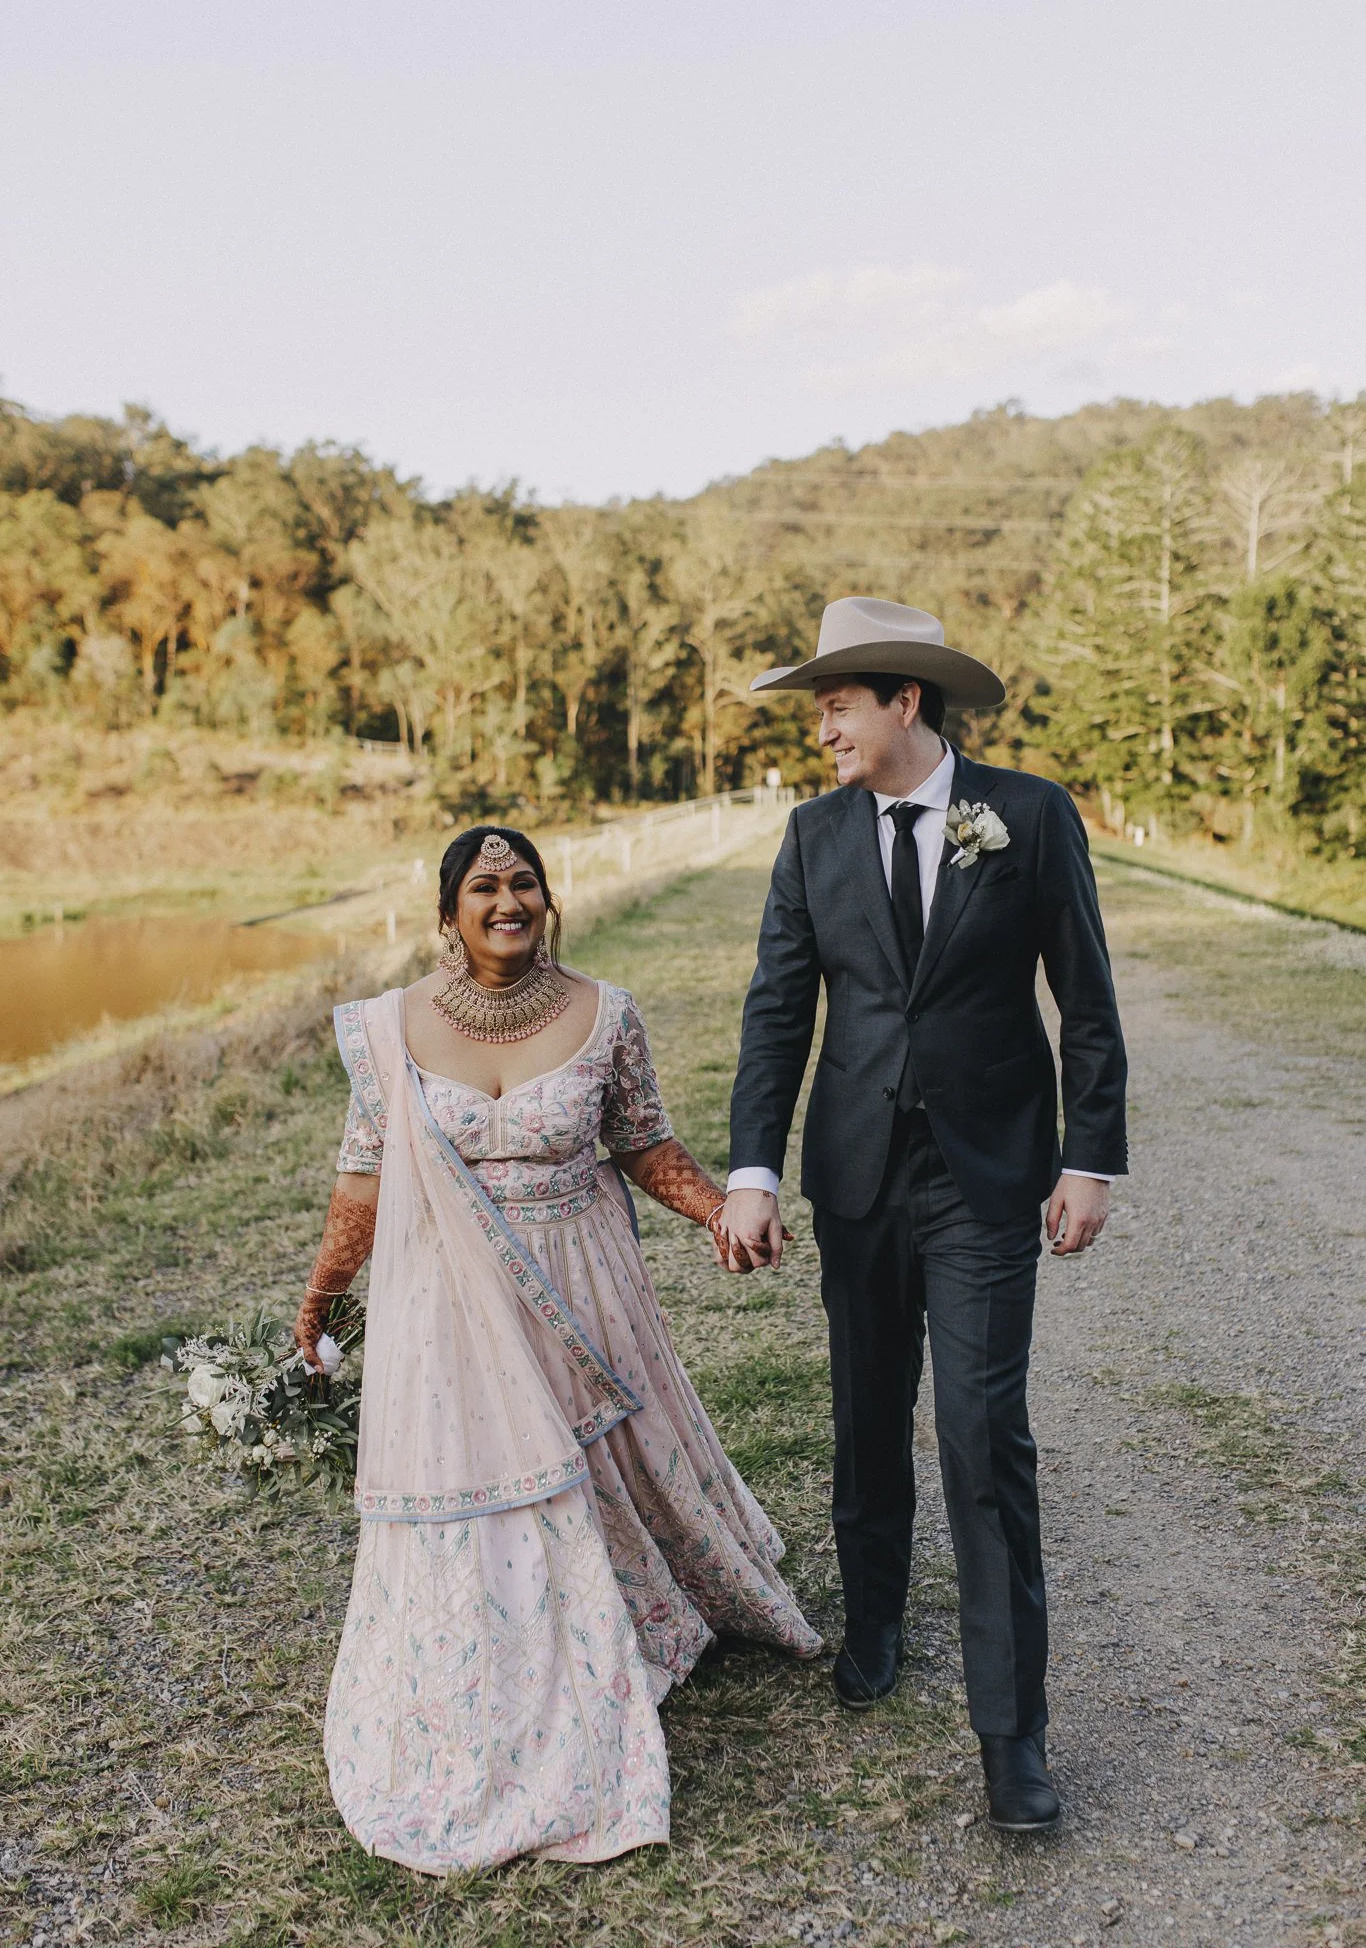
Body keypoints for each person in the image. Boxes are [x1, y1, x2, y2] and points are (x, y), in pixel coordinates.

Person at [293, 824, 819, 1875]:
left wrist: (723, 1211)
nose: (507, 899)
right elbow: (364, 1181)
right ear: (448, 914)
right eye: (484, 885)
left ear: (548, 900)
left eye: (524, 881)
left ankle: (621, 1612)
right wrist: (322, 1295)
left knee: (604, 1475)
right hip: (446, 1298)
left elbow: (643, 1143)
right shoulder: (385, 1031)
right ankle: (497, 1664)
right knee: (489, 1487)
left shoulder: (605, 1013)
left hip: (582, 1281)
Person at [717, 597, 1127, 1833]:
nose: (822, 724)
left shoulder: (1032, 813)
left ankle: (1012, 1737)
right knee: (864, 1406)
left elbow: (1088, 1000)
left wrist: (1090, 1158)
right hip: (855, 1172)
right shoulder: (810, 835)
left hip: (988, 1170)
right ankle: (878, 1613)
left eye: (837, 700)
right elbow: (778, 1007)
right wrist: (752, 1166)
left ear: (905, 701)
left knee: (981, 1429)